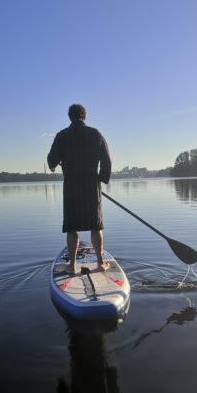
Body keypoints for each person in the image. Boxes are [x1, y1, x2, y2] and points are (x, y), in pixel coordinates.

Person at [47, 104, 112, 274]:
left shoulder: (61, 136)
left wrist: (54, 163)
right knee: (95, 226)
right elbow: (107, 162)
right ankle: (100, 263)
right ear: (84, 117)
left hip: (71, 187)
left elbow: (51, 161)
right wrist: (101, 179)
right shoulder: (95, 134)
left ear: (70, 117)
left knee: (72, 227)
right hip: (91, 186)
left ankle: (72, 265)